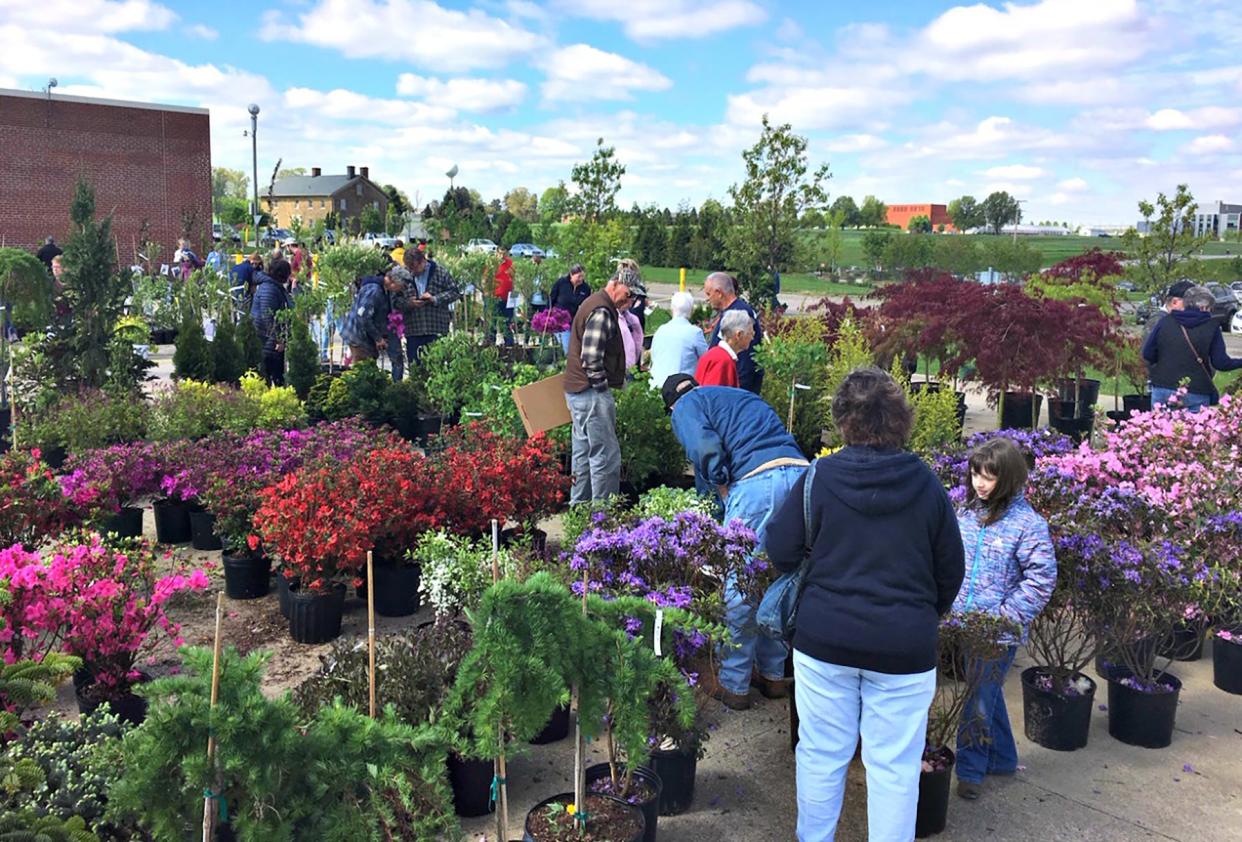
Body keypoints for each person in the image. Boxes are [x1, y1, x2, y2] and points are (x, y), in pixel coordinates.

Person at [765, 367, 965, 842]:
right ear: (901, 419)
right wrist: (917, 615)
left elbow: (779, 549)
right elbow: (950, 571)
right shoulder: (927, 484)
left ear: (842, 420)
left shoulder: (819, 478)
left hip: (824, 640)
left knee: (821, 753)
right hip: (904, 645)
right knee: (895, 767)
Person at [662, 373, 810, 710]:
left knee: (741, 581)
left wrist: (721, 485)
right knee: (782, 576)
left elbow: (704, 448)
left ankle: (734, 684)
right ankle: (773, 675)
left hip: (757, 483)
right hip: (800, 475)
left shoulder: (685, 405)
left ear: (671, 406)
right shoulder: (738, 396)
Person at [952, 437, 1056, 801]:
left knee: (978, 699)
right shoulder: (965, 515)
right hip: (963, 625)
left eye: (990, 477)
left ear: (1008, 478)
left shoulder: (1028, 524)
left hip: (997, 634)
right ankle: (1004, 759)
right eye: (976, 474)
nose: (980, 483)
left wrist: (1004, 617)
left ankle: (970, 771)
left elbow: (1041, 579)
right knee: (985, 693)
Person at [563, 266, 644, 503]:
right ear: (616, 284)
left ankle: (580, 509)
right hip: (589, 392)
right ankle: (602, 517)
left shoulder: (596, 304)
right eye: (629, 294)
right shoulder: (601, 312)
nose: (630, 301)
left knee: (583, 454)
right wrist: (601, 391)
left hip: (578, 391)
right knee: (605, 455)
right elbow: (590, 359)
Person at [1142, 283, 1242, 411]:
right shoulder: (1212, 327)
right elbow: (1221, 363)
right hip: (1197, 389)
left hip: (1162, 386)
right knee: (1193, 430)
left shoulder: (1165, 321)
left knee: (1159, 429)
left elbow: (1148, 354)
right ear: (1206, 307)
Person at [395, 245, 461, 365]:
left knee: (436, 366)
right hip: (414, 329)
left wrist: (434, 299)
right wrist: (410, 303)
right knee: (415, 366)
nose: (412, 271)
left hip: (436, 328)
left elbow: (455, 292)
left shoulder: (440, 272)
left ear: (422, 262)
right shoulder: (404, 276)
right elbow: (396, 301)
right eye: (409, 268)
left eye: (414, 268)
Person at [704, 272, 764, 394]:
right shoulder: (730, 312)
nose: (707, 299)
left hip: (737, 389)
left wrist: (739, 392)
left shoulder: (739, 314)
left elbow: (746, 356)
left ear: (719, 293)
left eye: (709, 294)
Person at [340, 266, 410, 363]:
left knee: (368, 363)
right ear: (394, 282)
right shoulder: (374, 290)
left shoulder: (383, 290)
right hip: (358, 336)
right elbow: (363, 317)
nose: (400, 290)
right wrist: (378, 338)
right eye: (401, 286)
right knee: (364, 367)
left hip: (362, 335)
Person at [649, 291, 708, 390]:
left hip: (657, 385)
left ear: (672, 308)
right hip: (680, 388)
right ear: (691, 310)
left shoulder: (661, 330)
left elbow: (654, 356)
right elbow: (706, 359)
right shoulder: (694, 333)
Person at [250, 257, 292, 386]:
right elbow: (267, 316)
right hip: (267, 339)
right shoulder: (270, 289)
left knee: (275, 375)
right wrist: (278, 339)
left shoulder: (274, 287)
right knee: (271, 374)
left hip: (270, 338)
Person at [694, 309, 753, 388]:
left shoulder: (714, 354)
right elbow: (714, 396)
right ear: (739, 335)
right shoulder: (722, 361)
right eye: (750, 333)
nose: (752, 338)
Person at [549, 264, 590, 353]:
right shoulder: (561, 283)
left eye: (583, 277)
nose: (581, 279)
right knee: (568, 347)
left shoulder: (585, 288)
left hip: (575, 321)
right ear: (571, 274)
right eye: (579, 276)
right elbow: (551, 300)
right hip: (560, 321)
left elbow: (587, 305)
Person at [493, 247, 515, 346]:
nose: (502, 256)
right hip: (495, 296)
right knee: (493, 320)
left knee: (508, 320)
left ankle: (509, 342)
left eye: (504, 254)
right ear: (497, 253)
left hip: (508, 297)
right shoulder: (492, 264)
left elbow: (514, 278)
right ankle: (491, 341)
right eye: (500, 253)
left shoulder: (509, 263)